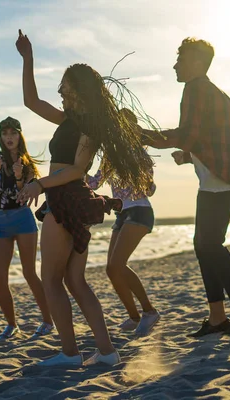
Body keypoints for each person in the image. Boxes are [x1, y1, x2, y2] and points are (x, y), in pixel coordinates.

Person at [15, 30, 154, 366]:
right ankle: (106, 352)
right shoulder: (69, 120)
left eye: (64, 87)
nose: (60, 93)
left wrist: (41, 184)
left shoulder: (89, 126)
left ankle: (70, 353)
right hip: (73, 199)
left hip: (66, 199)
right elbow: (31, 102)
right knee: (75, 280)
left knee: (51, 280)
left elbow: (78, 169)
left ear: (76, 89)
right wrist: (28, 59)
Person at [141, 38, 230, 337]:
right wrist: (189, 156)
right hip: (222, 179)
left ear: (196, 62)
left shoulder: (195, 89)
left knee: (210, 245)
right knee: (204, 245)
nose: (175, 65)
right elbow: (205, 136)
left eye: (179, 58)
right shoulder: (209, 91)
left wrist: (143, 136)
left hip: (219, 183)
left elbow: (187, 134)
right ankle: (218, 317)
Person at [0, 116, 54, 340]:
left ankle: (48, 320)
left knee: (29, 273)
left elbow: (26, 194)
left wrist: (21, 177)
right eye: (5, 133)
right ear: (0, 136)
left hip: (22, 219)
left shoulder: (26, 162)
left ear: (20, 135)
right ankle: (11, 325)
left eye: (13, 133)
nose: (9, 138)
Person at [87, 111, 159, 337]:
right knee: (111, 269)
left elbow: (149, 190)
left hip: (140, 210)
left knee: (118, 264)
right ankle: (135, 316)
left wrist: (137, 173)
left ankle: (149, 311)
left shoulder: (140, 156)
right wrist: (77, 170)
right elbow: (95, 182)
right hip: (122, 214)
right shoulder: (109, 156)